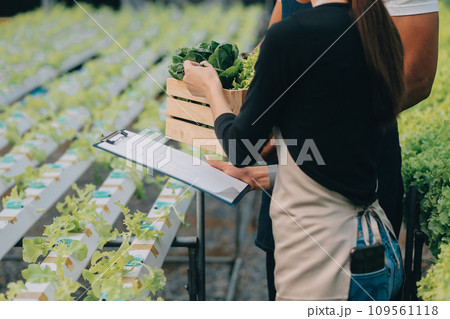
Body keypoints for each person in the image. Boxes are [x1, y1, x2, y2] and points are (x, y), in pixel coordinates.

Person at [207, 0, 439, 300]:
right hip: (354, 208)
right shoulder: (375, 28)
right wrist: (285, 170)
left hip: (316, 245)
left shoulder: (297, 36)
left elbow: (240, 146)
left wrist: (211, 87)